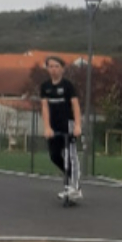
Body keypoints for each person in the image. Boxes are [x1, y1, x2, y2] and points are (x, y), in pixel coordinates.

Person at [39, 56, 83, 202]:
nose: (53, 69)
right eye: (50, 66)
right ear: (47, 69)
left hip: (68, 124)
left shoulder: (68, 86)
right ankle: (71, 180)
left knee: (71, 156)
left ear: (62, 69)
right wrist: (47, 127)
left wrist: (77, 125)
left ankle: (75, 188)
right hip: (54, 125)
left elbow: (75, 106)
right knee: (54, 156)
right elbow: (45, 107)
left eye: (57, 66)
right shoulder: (45, 87)